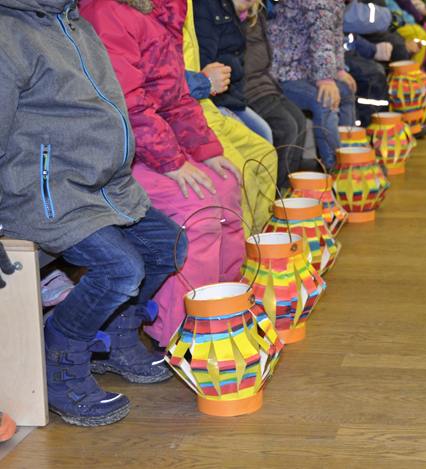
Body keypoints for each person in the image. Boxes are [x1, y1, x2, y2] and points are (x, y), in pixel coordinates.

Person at [0, 0, 187, 426]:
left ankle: (116, 339)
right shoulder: (8, 32)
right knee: (121, 270)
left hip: (102, 183)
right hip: (43, 193)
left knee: (168, 245)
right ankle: (60, 362)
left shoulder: (74, 21)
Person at [80, 0, 246, 351]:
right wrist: (172, 161)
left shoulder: (159, 14)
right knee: (196, 206)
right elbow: (127, 103)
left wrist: (205, 149)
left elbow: (176, 97)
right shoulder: (107, 11)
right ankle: (180, 332)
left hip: (151, 146)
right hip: (115, 154)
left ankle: (223, 307)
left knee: (228, 185)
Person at [183, 0, 278, 231]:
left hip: (207, 104)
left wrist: (205, 81)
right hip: (188, 110)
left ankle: (261, 235)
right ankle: (244, 247)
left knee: (266, 154)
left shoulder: (187, 6)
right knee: (242, 176)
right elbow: (160, 81)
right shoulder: (196, 7)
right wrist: (203, 81)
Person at [268, 0, 358, 170]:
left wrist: (339, 70)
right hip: (284, 71)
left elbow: (335, 35)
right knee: (325, 101)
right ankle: (336, 167)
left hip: (306, 69)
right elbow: (321, 37)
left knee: (346, 91)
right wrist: (326, 78)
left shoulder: (337, 3)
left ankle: (350, 154)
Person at [193, 0, 274, 143]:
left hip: (230, 95)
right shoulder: (208, 6)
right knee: (254, 138)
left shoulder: (242, 15)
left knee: (264, 132)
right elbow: (201, 64)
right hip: (208, 98)